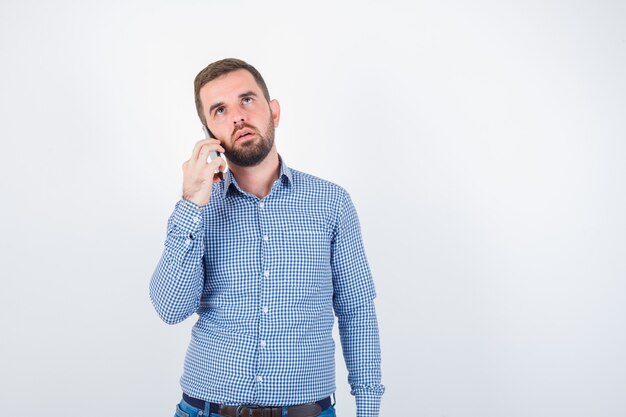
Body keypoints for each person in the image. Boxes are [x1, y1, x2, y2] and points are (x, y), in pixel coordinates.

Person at [150, 58, 384, 417]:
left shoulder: (331, 202)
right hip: (206, 409)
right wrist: (191, 204)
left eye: (247, 100)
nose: (237, 117)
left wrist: (368, 409)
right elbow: (170, 309)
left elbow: (357, 310)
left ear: (273, 112)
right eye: (220, 110)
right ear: (208, 132)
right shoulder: (197, 210)